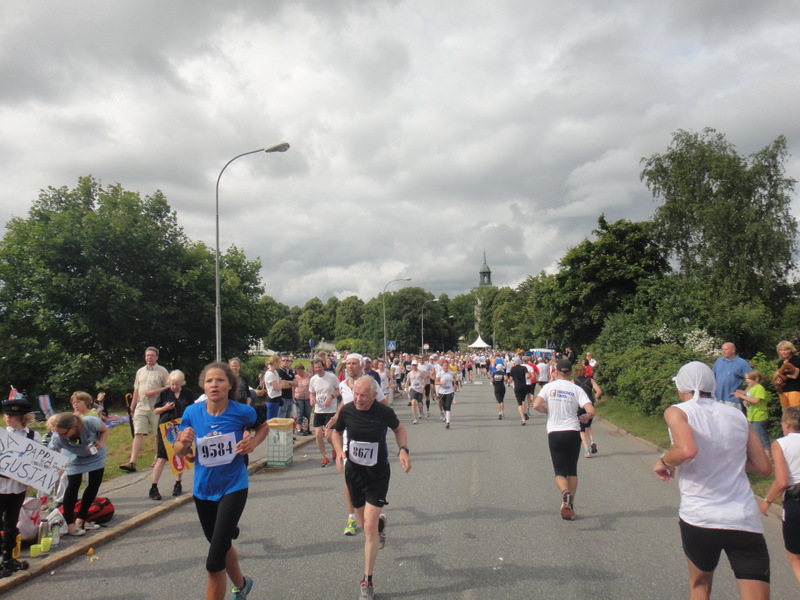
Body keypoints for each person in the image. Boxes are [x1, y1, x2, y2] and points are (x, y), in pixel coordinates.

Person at [653, 361, 773, 600]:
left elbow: (686, 450)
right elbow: (763, 467)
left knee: (700, 586)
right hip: (743, 518)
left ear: (682, 388)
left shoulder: (677, 411)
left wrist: (664, 462)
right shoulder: (736, 414)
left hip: (700, 516)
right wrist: (729, 458)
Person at [174, 362, 269, 600]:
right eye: (209, 381)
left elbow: (264, 427)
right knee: (222, 545)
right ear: (202, 386)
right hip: (203, 490)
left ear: (229, 385)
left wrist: (253, 443)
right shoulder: (191, 413)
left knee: (214, 562)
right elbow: (178, 452)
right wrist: (183, 443)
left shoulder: (242, 411)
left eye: (219, 380)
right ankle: (242, 585)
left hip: (233, 486)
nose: (214, 385)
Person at [331, 376, 411, 600]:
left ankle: (367, 580)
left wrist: (403, 449)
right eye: (355, 393)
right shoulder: (347, 411)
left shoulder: (383, 412)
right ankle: (380, 525)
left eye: (362, 395)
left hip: (377, 475)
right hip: (354, 473)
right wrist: (339, 451)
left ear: (374, 395)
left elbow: (399, 429)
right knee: (363, 522)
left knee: (368, 528)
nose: (357, 398)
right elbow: (336, 432)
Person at [533, 358, 595, 520]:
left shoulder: (549, 387)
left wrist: (547, 411)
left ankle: (564, 493)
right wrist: (586, 417)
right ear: (571, 372)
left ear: (556, 372)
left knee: (559, 471)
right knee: (572, 470)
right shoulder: (576, 389)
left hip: (555, 431)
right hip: (573, 430)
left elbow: (535, 405)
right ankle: (570, 504)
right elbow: (591, 410)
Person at [48, 411, 108, 536]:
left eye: (63, 433)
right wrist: (59, 465)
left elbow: (104, 430)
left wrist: (101, 443)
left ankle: (82, 518)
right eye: (57, 433)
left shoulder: (91, 422)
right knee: (73, 485)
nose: (61, 436)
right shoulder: (58, 437)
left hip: (95, 456)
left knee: (93, 485)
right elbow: (52, 452)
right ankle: (70, 524)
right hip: (73, 458)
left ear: (74, 427)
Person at [759, 406, 800, 587]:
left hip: (795, 501)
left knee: (795, 556)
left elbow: (782, 481)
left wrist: (767, 500)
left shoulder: (781, 444)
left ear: (788, 425)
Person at [1, 399, 41, 577]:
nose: (8, 418)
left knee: (12, 523)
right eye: (7, 414)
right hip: (0, 486)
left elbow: (39, 462)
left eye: (13, 415)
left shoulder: (33, 436)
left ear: (22, 417)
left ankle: (9, 558)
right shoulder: (2, 435)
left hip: (17, 487)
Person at [120, 346, 169, 472]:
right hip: (141, 406)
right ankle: (132, 462)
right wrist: (132, 406)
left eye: (152, 355)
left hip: (156, 406)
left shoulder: (162, 371)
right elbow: (136, 389)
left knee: (157, 434)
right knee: (138, 433)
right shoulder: (140, 371)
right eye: (147, 355)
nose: (149, 357)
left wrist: (155, 392)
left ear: (156, 357)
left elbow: (169, 387)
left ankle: (157, 458)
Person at [149, 370, 194, 500]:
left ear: (181, 383)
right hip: (166, 428)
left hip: (181, 427)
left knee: (180, 455)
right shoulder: (164, 393)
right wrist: (165, 408)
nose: (174, 387)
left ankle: (178, 483)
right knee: (162, 458)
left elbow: (192, 409)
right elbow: (156, 410)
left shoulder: (187, 393)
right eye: (172, 384)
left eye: (177, 384)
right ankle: (154, 486)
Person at [308, 358, 341, 467]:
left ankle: (334, 448)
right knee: (318, 434)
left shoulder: (331, 377)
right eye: (316, 368)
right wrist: (312, 398)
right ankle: (324, 456)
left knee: (328, 435)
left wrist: (331, 396)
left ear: (323, 367)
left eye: (319, 367)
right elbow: (311, 393)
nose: (318, 369)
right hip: (318, 409)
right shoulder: (313, 379)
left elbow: (339, 390)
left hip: (330, 409)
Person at [733, 370, 771, 458]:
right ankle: (758, 456)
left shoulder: (759, 388)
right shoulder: (752, 388)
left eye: (749, 379)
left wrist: (742, 396)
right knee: (754, 438)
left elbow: (756, 400)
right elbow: (751, 400)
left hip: (759, 417)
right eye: (746, 379)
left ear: (757, 379)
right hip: (751, 416)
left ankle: (767, 457)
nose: (747, 381)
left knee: (762, 438)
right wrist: (746, 402)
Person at [574, 363, 602, 457]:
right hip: (590, 405)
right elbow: (599, 391)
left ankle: (587, 450)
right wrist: (594, 399)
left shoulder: (573, 382)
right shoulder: (590, 380)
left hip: (580, 407)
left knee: (581, 430)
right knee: (588, 425)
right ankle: (592, 441)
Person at [711, 342, 750, 410]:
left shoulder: (741, 363)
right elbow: (712, 376)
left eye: (726, 349)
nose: (723, 351)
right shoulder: (719, 361)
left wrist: (745, 392)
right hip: (717, 399)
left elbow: (754, 379)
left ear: (733, 350)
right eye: (722, 349)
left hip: (732, 400)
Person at [773, 341, 800, 408]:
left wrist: (783, 375)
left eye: (785, 350)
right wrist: (778, 382)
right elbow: (777, 375)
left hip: (795, 389)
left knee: (795, 412)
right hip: (783, 390)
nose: (783, 352)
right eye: (781, 350)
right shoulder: (780, 362)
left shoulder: (796, 360)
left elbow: (794, 376)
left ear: (790, 350)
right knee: (786, 412)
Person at [433, 358, 456, 429]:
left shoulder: (450, 372)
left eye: (446, 366)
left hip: (450, 391)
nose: (445, 368)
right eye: (444, 366)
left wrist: (455, 383)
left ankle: (447, 422)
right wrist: (441, 383)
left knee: (448, 406)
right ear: (442, 367)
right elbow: (436, 382)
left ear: (448, 366)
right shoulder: (439, 373)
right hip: (442, 392)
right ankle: (445, 416)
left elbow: (455, 377)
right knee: (444, 407)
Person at [508, 356, 530, 426]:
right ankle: (525, 412)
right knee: (524, 400)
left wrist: (508, 382)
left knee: (519, 403)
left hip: (517, 387)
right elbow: (528, 376)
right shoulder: (524, 368)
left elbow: (511, 379)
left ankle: (523, 419)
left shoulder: (513, 369)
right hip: (524, 386)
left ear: (514, 362)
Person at [263, 355, 285, 421]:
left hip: (277, 397)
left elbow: (279, 381)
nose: (280, 364)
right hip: (272, 398)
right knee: (270, 419)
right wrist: (282, 384)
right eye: (279, 362)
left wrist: (280, 384)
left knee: (275, 418)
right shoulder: (269, 374)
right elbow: (277, 387)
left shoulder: (275, 372)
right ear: (275, 363)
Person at [293, 364, 312, 435]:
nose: (298, 373)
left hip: (307, 397)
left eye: (299, 371)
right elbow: (293, 387)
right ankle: (298, 428)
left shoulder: (308, 376)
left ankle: (306, 428)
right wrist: (293, 397)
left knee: (307, 413)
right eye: (297, 371)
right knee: (300, 412)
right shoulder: (295, 377)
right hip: (298, 397)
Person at [277, 354, 297, 419]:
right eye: (284, 360)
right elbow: (284, 385)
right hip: (283, 397)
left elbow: (296, 383)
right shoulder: (279, 372)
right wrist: (291, 383)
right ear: (280, 361)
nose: (286, 362)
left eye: (287, 360)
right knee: (282, 417)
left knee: (289, 418)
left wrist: (288, 382)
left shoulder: (290, 371)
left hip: (290, 397)